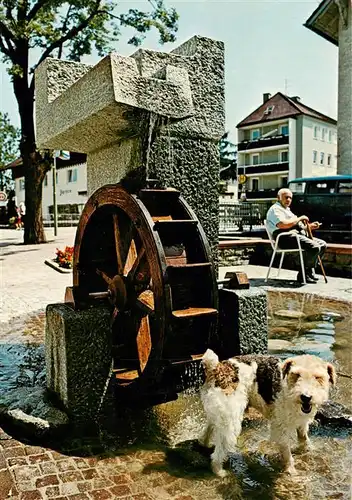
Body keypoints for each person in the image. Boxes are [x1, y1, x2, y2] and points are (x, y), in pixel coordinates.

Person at [266, 188, 326, 283]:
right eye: (286, 197)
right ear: (278, 198)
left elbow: (299, 226)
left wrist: (310, 226)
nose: (288, 200)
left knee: (322, 244)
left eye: (290, 198)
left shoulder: (287, 210)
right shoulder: (275, 209)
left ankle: (308, 271)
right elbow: (283, 224)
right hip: (284, 238)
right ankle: (303, 274)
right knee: (314, 246)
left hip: (295, 235)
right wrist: (300, 218)